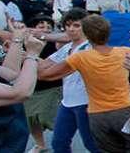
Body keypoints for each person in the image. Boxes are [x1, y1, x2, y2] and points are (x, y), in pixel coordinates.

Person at [37, 15, 130, 152]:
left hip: (98, 114)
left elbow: (45, 75)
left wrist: (32, 55)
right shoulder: (126, 52)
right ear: (109, 33)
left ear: (86, 35)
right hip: (125, 109)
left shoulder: (79, 58)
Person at [42, 8, 99, 153]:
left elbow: (50, 72)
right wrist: (27, 56)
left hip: (85, 102)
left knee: (91, 144)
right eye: (67, 25)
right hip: (67, 102)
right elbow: (44, 65)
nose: (71, 29)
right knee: (59, 143)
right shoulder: (67, 47)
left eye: (76, 25)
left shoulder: (88, 48)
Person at [24, 15, 63, 153]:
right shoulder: (25, 44)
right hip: (31, 87)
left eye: (48, 27)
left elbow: (58, 64)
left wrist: (32, 57)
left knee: (51, 119)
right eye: (41, 27)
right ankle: (40, 145)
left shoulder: (57, 44)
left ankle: (62, 144)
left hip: (53, 86)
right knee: (32, 119)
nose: (45, 30)